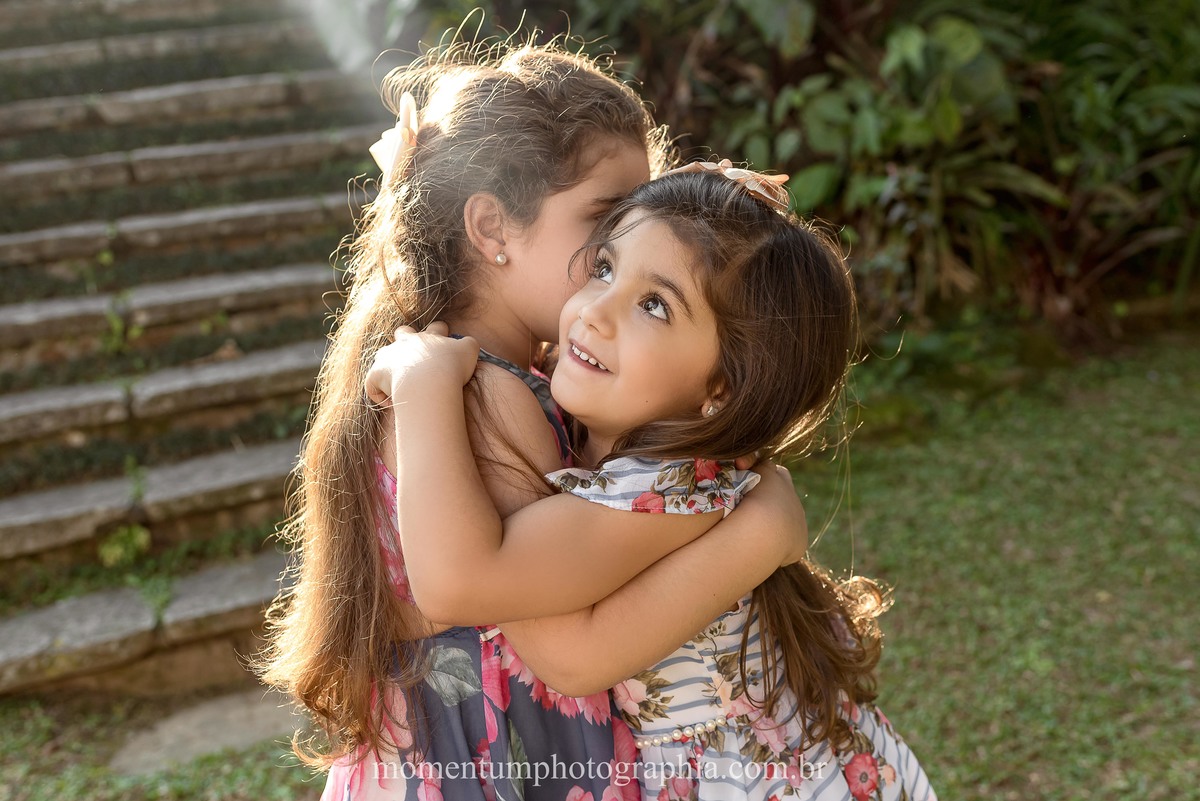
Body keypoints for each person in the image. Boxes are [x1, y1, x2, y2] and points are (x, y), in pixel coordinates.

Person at [257, 39, 810, 801]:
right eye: (607, 218)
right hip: (503, 755)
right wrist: (759, 531)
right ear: (492, 230)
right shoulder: (484, 390)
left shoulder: (494, 366)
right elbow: (515, 608)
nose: (627, 236)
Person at [367, 162, 938, 800]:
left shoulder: (673, 489)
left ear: (722, 388)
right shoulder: (634, 443)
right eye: (605, 267)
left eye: (653, 306)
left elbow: (535, 634)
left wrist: (423, 382)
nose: (592, 312)